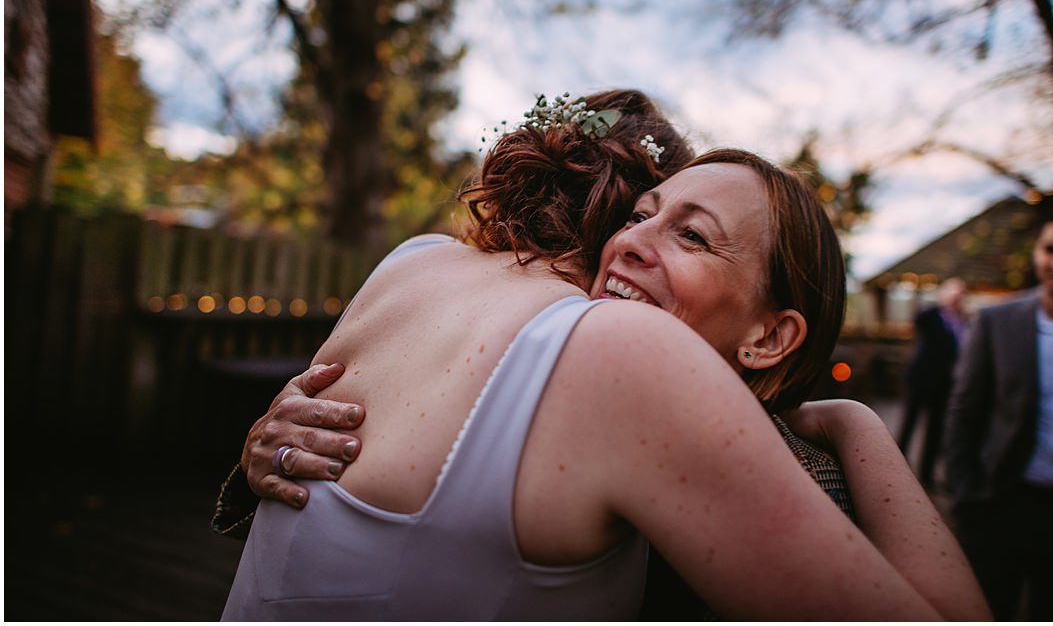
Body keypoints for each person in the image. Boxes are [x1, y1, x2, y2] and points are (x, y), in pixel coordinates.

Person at [221, 92, 987, 619]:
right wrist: (858, 424)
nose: (631, 242)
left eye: (691, 234)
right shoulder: (622, 353)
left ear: (772, 336)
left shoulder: (412, 263)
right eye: (641, 214)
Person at [944, 209, 1053, 621]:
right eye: (1051, 250)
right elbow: (964, 410)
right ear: (1036, 254)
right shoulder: (998, 321)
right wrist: (968, 495)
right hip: (1002, 502)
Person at [897, 277, 967, 490]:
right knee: (910, 423)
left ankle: (926, 475)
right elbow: (918, 321)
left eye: (960, 295)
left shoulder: (962, 321)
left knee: (935, 429)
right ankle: (897, 465)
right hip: (922, 378)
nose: (956, 299)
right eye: (953, 294)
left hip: (945, 384)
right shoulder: (931, 315)